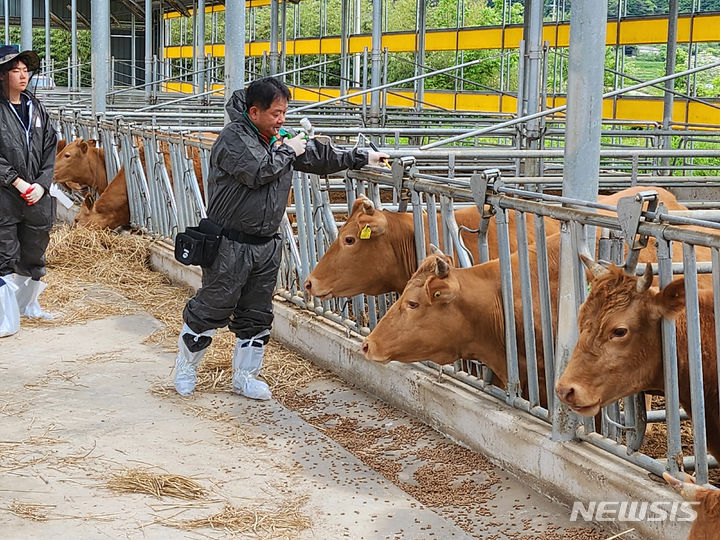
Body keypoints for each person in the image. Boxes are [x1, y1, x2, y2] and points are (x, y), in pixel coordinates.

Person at [174, 77, 388, 400]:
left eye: (285, 113)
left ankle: (245, 376)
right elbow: (258, 171)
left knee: (257, 313)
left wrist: (361, 158)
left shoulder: (276, 138)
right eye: (276, 113)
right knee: (213, 306)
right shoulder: (234, 138)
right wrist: (288, 149)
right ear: (254, 111)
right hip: (230, 244)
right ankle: (185, 368)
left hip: (266, 244)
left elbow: (316, 156)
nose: (281, 120)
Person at [0, 45, 57, 337]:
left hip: (35, 195)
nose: (22, 76)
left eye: (25, 70)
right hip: (5, 197)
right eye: (15, 71)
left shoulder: (36, 108)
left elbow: (50, 147)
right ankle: (4, 317)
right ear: (2, 75)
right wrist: (17, 182)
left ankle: (28, 305)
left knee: (35, 250)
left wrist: (41, 184)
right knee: (4, 253)